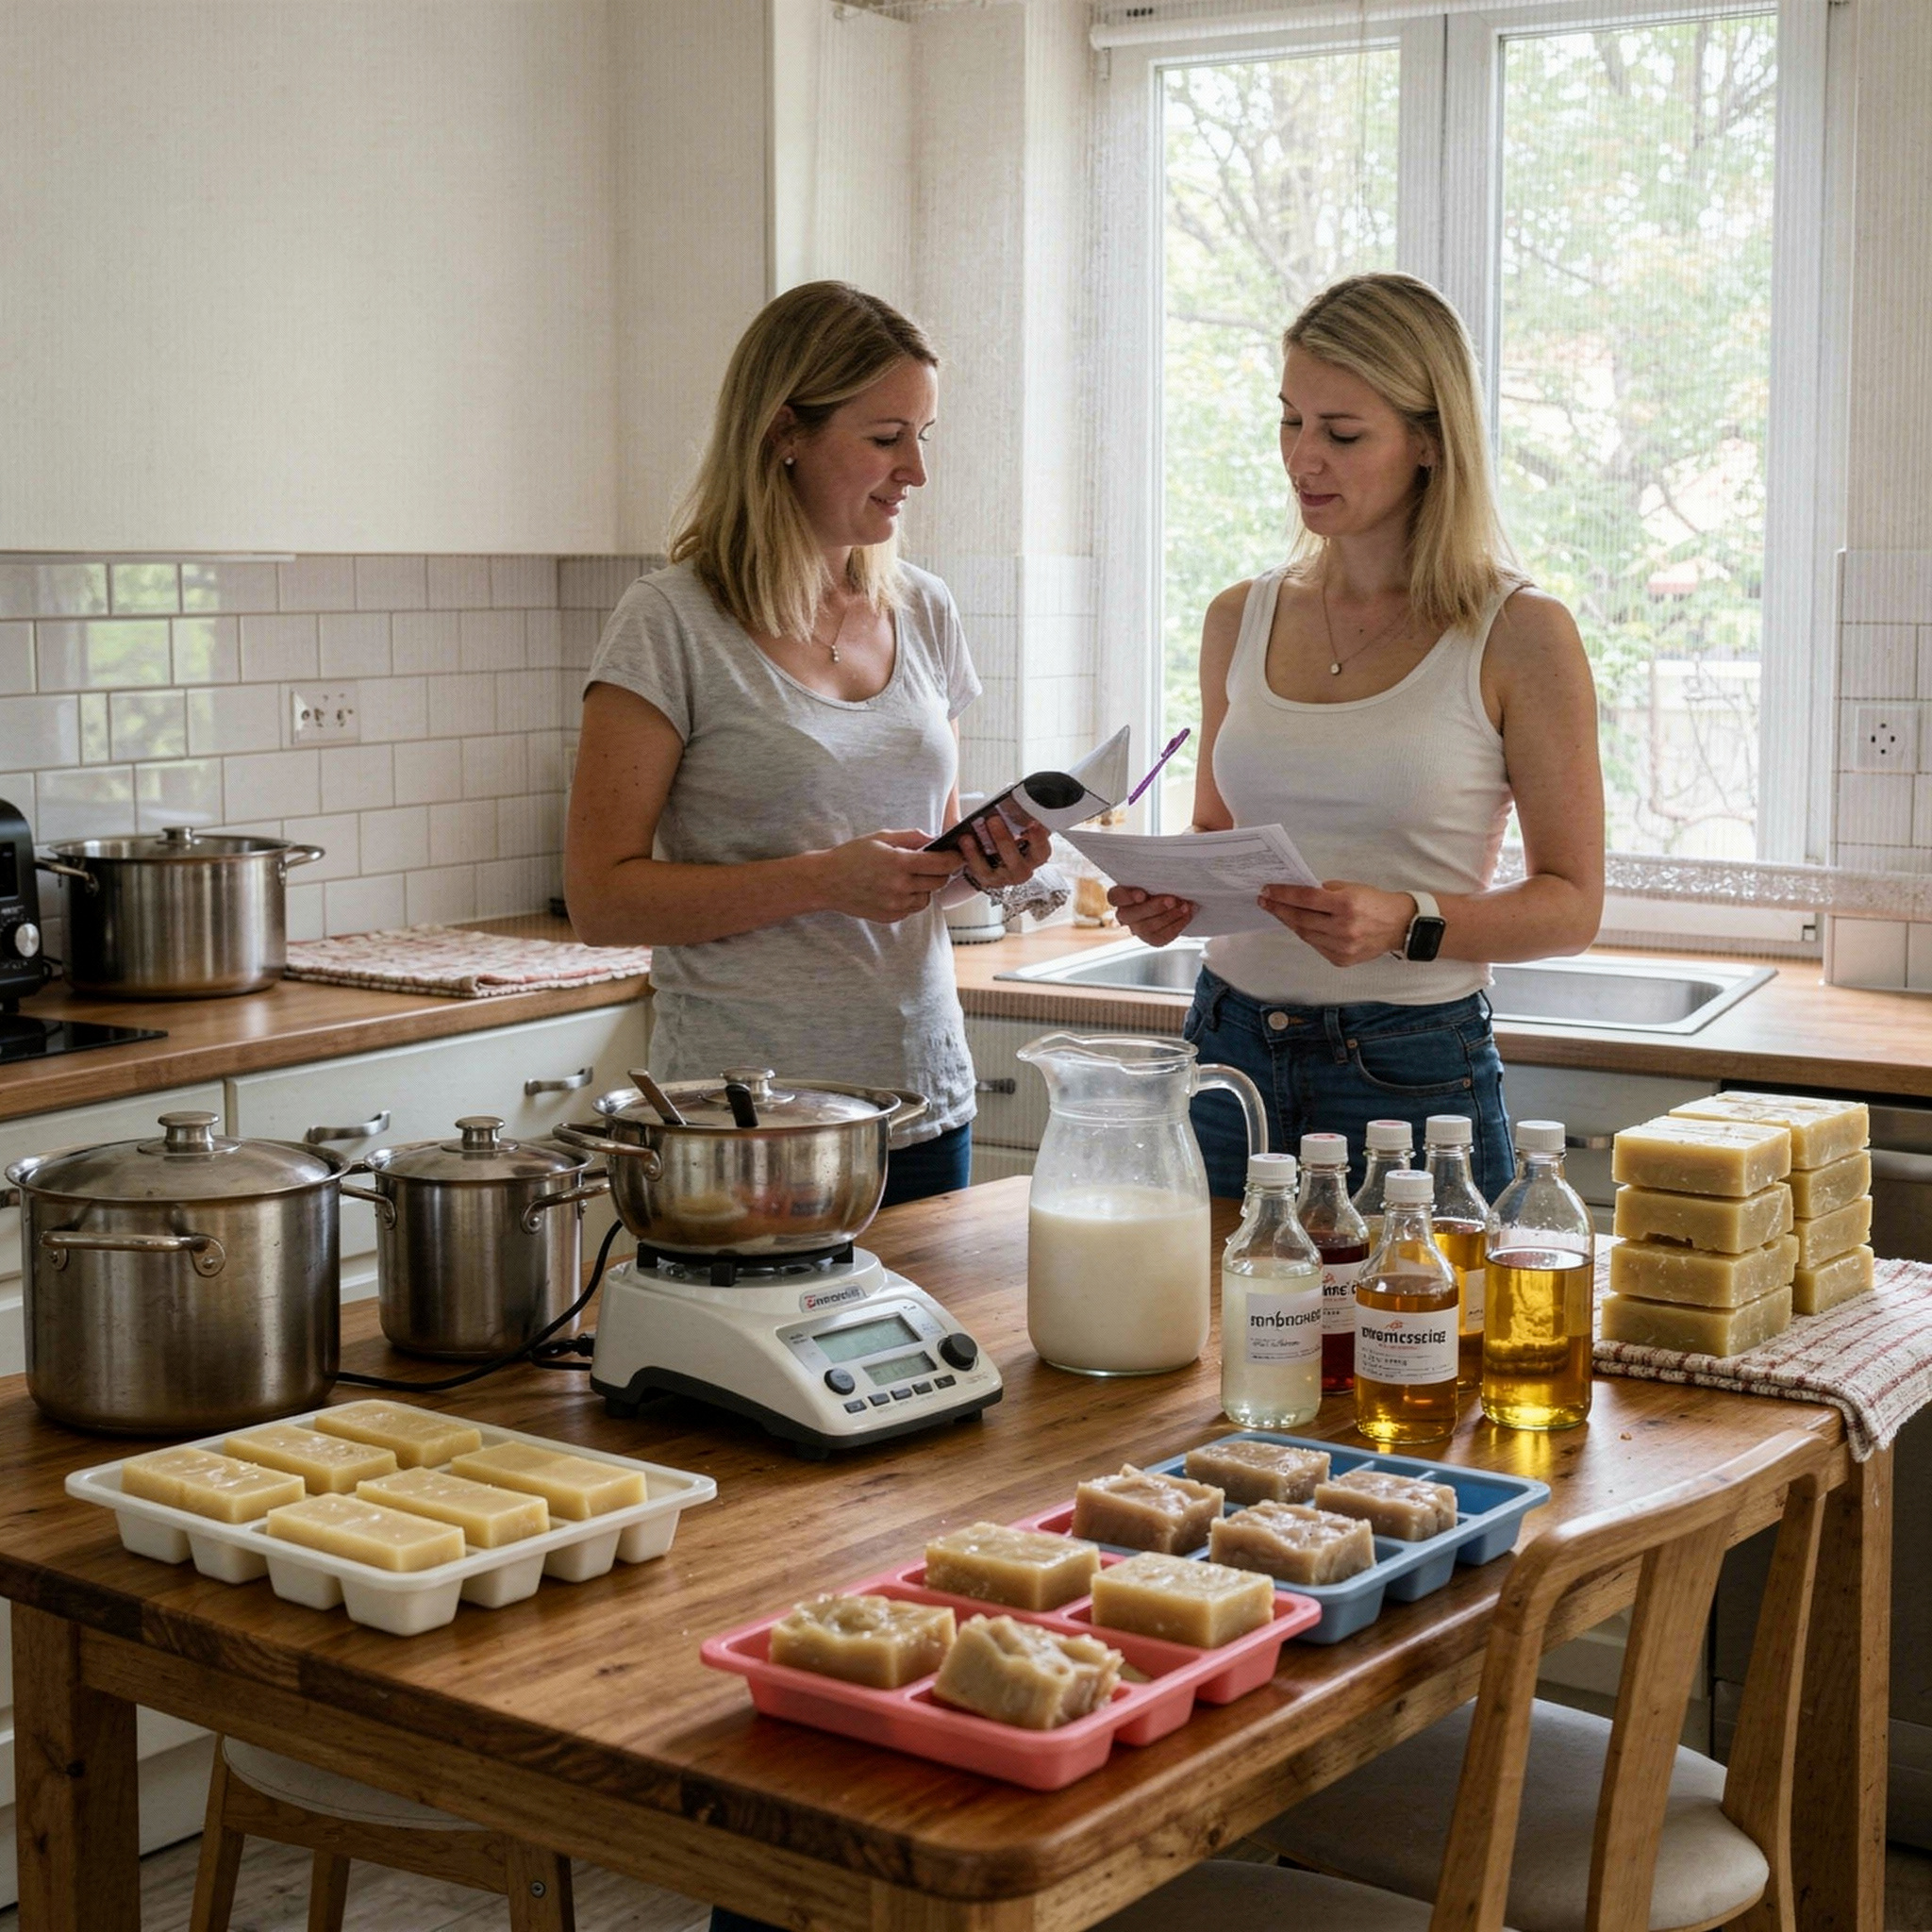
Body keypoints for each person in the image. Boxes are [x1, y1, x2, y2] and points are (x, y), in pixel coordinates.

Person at [1112, 272, 1604, 1199]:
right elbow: (1217, 833)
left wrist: (1406, 922)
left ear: (1428, 441)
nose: (1303, 458)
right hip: (1225, 1052)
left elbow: (1571, 906)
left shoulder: (1518, 632)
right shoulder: (1238, 616)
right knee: (1208, 1301)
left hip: (1410, 1066)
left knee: (1411, 1303)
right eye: (1289, 420)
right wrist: (1173, 894)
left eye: (1341, 433)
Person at [565, 280, 1045, 1208]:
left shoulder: (924, 608)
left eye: (924, 435)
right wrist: (823, 879)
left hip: (918, 1104)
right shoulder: (670, 621)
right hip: (745, 1123)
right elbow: (600, 899)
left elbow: (919, 862)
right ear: (785, 431)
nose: (916, 470)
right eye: (886, 437)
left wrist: (982, 864)